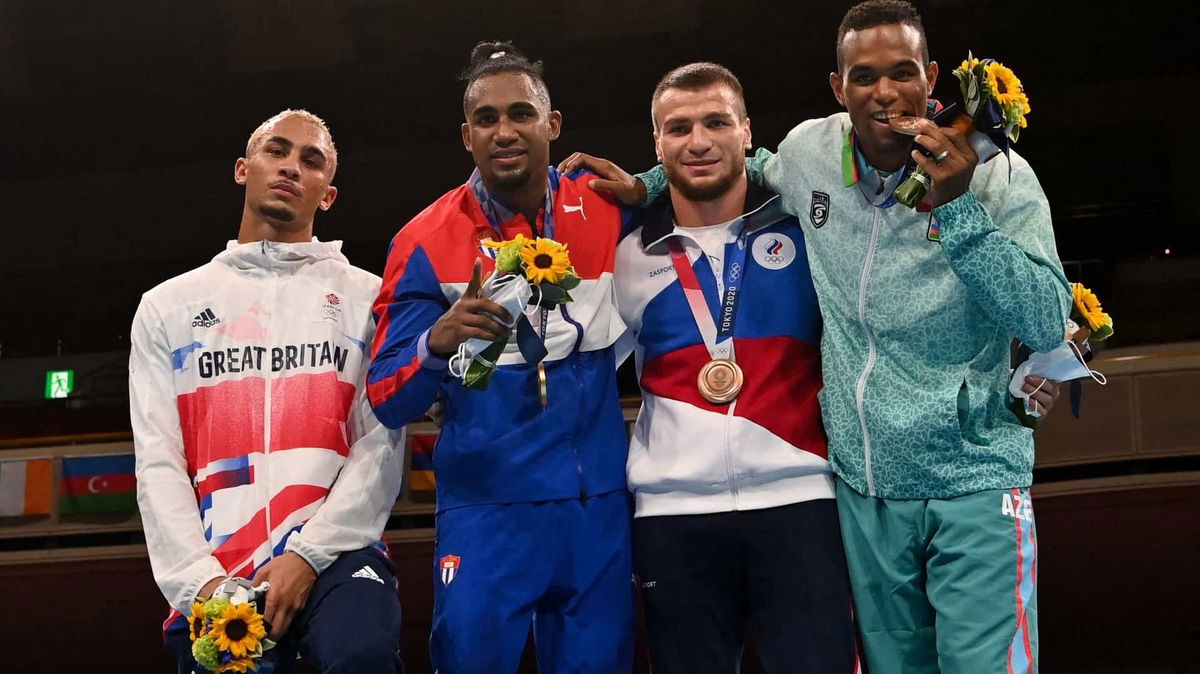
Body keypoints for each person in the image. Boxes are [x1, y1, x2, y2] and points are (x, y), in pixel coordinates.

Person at [585, 1, 1067, 671]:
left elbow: (1046, 318)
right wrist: (647, 184)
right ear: (838, 88)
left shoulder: (997, 173)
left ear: (931, 78)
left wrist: (957, 211)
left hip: (976, 476)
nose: (885, 92)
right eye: (863, 76)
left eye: (902, 73)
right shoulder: (811, 155)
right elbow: (738, 162)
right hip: (866, 492)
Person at [577, 62, 862, 673]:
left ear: (747, 133)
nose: (698, 141)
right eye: (678, 128)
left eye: (716, 122)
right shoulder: (626, 256)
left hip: (801, 504)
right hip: (673, 520)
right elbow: (577, 365)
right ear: (657, 145)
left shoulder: (809, 236)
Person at [367, 42, 633, 673]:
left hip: (594, 508)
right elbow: (386, 397)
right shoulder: (424, 240)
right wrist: (435, 342)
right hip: (486, 514)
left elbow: (712, 183)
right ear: (467, 135)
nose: (504, 131)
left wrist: (647, 183)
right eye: (486, 119)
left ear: (554, 124)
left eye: (521, 113)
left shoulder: (608, 209)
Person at [130, 109, 406, 674]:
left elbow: (381, 446)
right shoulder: (168, 307)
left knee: (363, 657)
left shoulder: (370, 300)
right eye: (276, 152)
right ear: (242, 169)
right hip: (217, 568)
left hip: (337, 553)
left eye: (311, 161)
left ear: (327, 194)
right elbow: (159, 461)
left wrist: (307, 554)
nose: (290, 168)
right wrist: (199, 582)